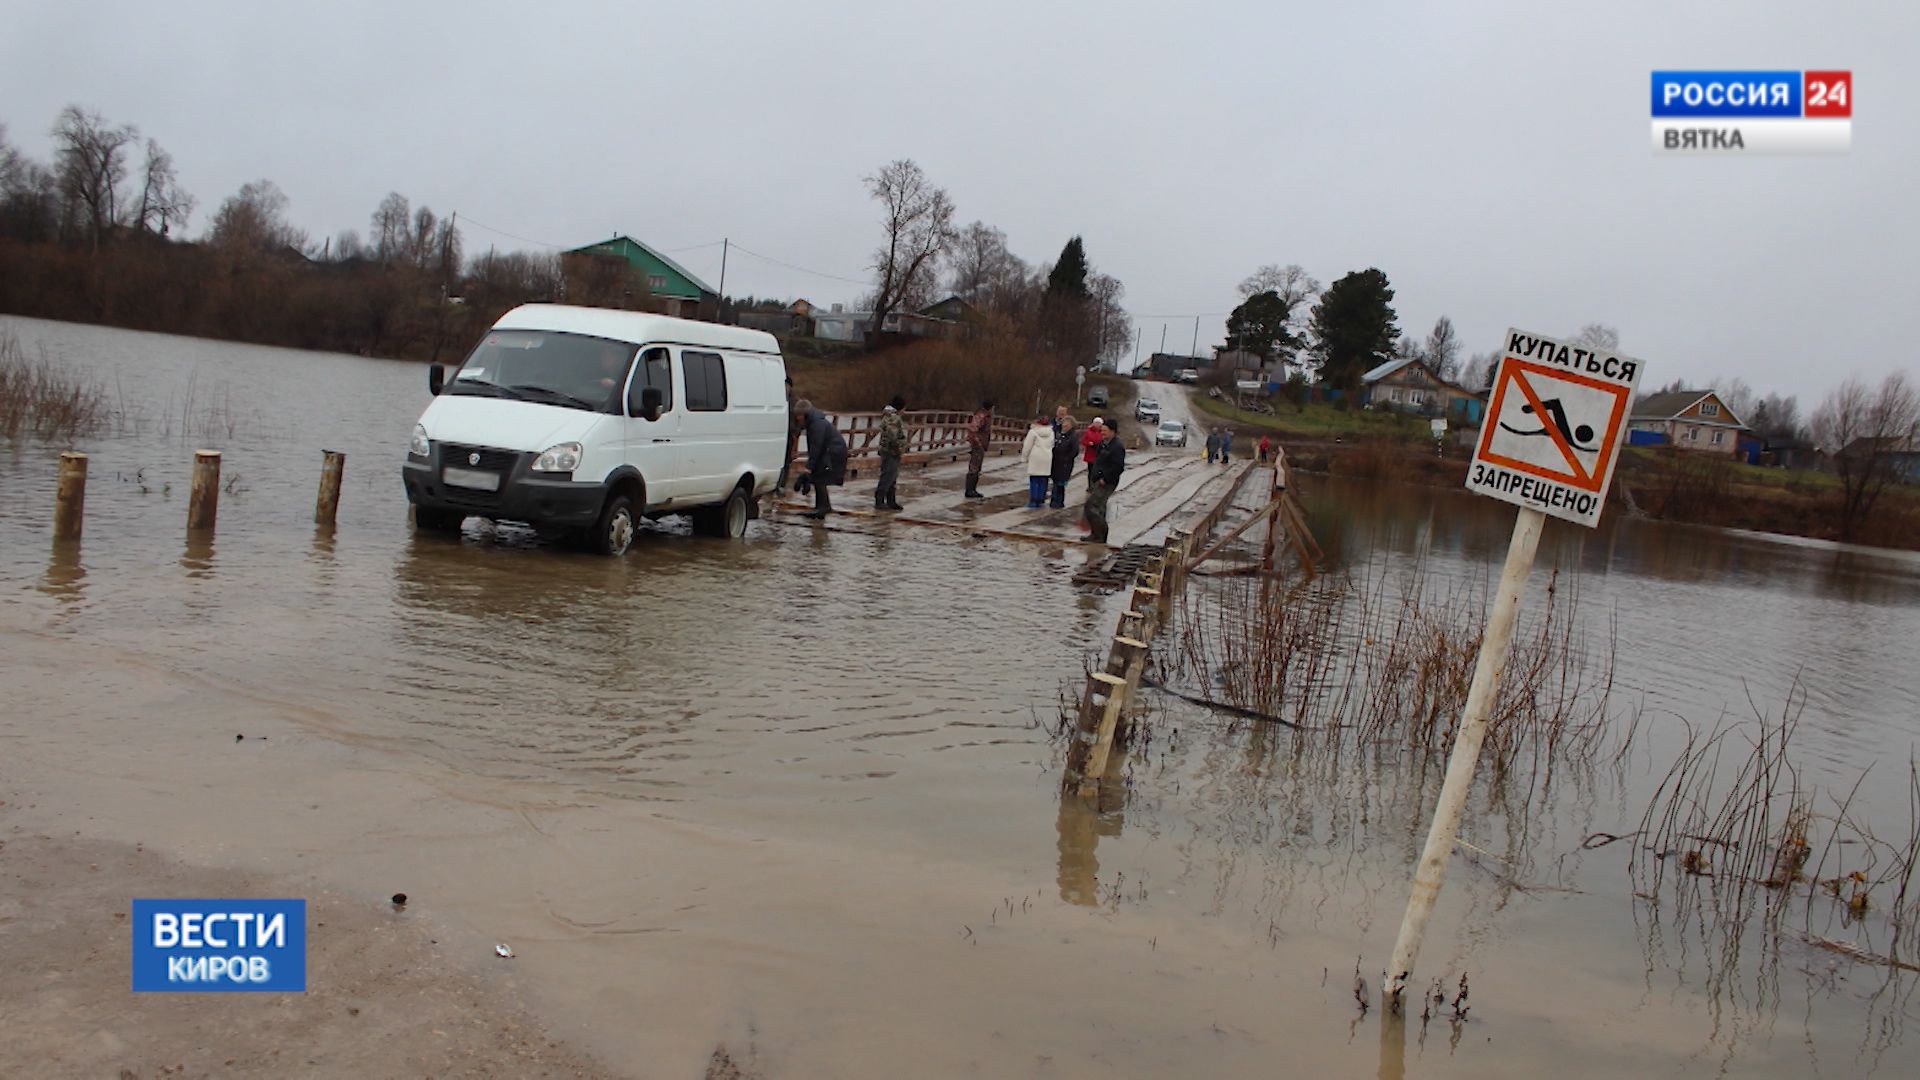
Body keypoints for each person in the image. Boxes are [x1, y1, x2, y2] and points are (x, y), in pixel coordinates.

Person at [794, 398, 846, 520]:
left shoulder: (817, 424)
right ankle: (823, 506)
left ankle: (822, 507)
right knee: (818, 475)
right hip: (830, 451)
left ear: (805, 414)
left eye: (799, 415)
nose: (797, 418)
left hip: (834, 452)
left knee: (820, 476)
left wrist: (808, 468)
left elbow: (816, 447)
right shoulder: (812, 422)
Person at [1085, 418, 1126, 545]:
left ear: (1113, 431)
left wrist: (1105, 478)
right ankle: (1096, 535)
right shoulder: (1103, 443)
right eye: (1101, 430)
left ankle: (1101, 533)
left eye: (1105, 431)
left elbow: (1118, 467)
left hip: (1107, 482)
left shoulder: (1117, 447)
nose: (1102, 433)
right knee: (1099, 508)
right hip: (1097, 479)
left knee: (1091, 506)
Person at [874, 395, 907, 511]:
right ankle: (880, 500)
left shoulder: (889, 416)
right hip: (891, 451)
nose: (905, 411)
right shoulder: (894, 418)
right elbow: (893, 436)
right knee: (888, 475)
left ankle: (890, 500)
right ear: (900, 408)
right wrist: (900, 447)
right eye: (904, 408)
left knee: (891, 476)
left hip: (887, 450)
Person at [1020, 414, 1053, 508]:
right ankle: (1040, 500)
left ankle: (1033, 501)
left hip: (1036, 457)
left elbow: (1027, 446)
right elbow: (1052, 444)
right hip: (1047, 457)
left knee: (1034, 480)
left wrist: (1024, 457)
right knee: (1043, 480)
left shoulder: (1033, 431)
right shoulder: (1051, 432)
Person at [1078, 418, 1104, 533]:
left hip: (1098, 456)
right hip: (1090, 455)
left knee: (1096, 472)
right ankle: (1090, 485)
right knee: (1090, 471)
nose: (1097, 425)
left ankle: (1094, 485)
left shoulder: (1102, 432)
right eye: (1096, 423)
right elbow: (1084, 441)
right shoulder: (1089, 431)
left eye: (1099, 424)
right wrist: (1089, 443)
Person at [964, 399, 994, 498]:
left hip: (981, 445)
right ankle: (969, 490)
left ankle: (973, 489)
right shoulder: (981, 416)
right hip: (978, 445)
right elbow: (972, 429)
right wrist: (977, 442)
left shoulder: (986, 416)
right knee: (974, 467)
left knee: (977, 467)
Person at [1049, 414, 1078, 509]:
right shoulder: (1059, 434)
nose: (1064, 426)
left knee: (1060, 484)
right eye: (1064, 424)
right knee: (1055, 482)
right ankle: (1054, 501)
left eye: (1067, 425)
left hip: (1065, 464)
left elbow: (1075, 451)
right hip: (1056, 462)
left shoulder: (1073, 437)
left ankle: (1058, 502)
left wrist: (1067, 459)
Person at [777, 377, 800, 494]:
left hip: (790, 436)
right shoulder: (778, 400)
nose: (785, 388)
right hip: (778, 435)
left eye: (786, 386)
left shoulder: (795, 402)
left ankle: (782, 485)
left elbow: (799, 424)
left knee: (786, 462)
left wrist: (796, 445)